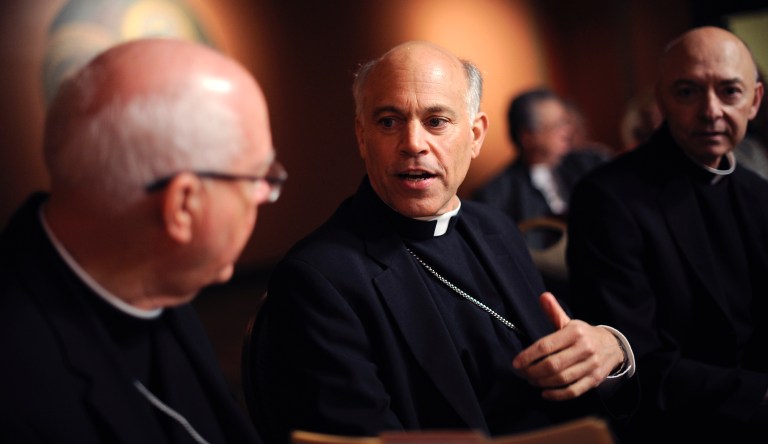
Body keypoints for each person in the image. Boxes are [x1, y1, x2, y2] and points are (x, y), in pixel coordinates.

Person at [246, 41, 636, 444]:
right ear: (362, 137)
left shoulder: (496, 226)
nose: (413, 143)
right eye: (388, 122)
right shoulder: (320, 279)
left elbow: (572, 356)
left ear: (475, 134)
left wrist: (613, 349)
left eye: (436, 121)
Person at [0, 37, 285, 444]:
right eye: (257, 177)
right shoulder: (19, 395)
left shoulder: (157, 279)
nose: (264, 194)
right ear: (182, 207)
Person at [566, 26, 767, 443]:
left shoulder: (758, 193)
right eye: (688, 91)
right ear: (661, 100)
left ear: (754, 101)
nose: (711, 110)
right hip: (681, 424)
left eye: (729, 91)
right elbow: (636, 355)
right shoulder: (608, 197)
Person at [471, 88, 608, 226]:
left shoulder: (592, 163)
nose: (567, 131)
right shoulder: (496, 195)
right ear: (528, 137)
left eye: (566, 122)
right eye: (557, 125)